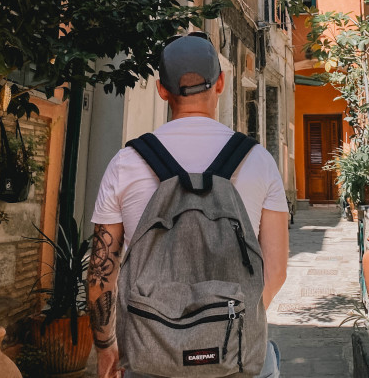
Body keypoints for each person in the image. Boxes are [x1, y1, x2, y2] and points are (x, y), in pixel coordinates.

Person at [88, 33, 290, 378]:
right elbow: (275, 271)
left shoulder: (127, 162)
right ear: (221, 83)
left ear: (161, 90)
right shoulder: (258, 161)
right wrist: (225, 330)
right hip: (236, 359)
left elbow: (101, 274)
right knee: (269, 357)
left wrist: (107, 349)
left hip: (152, 357)